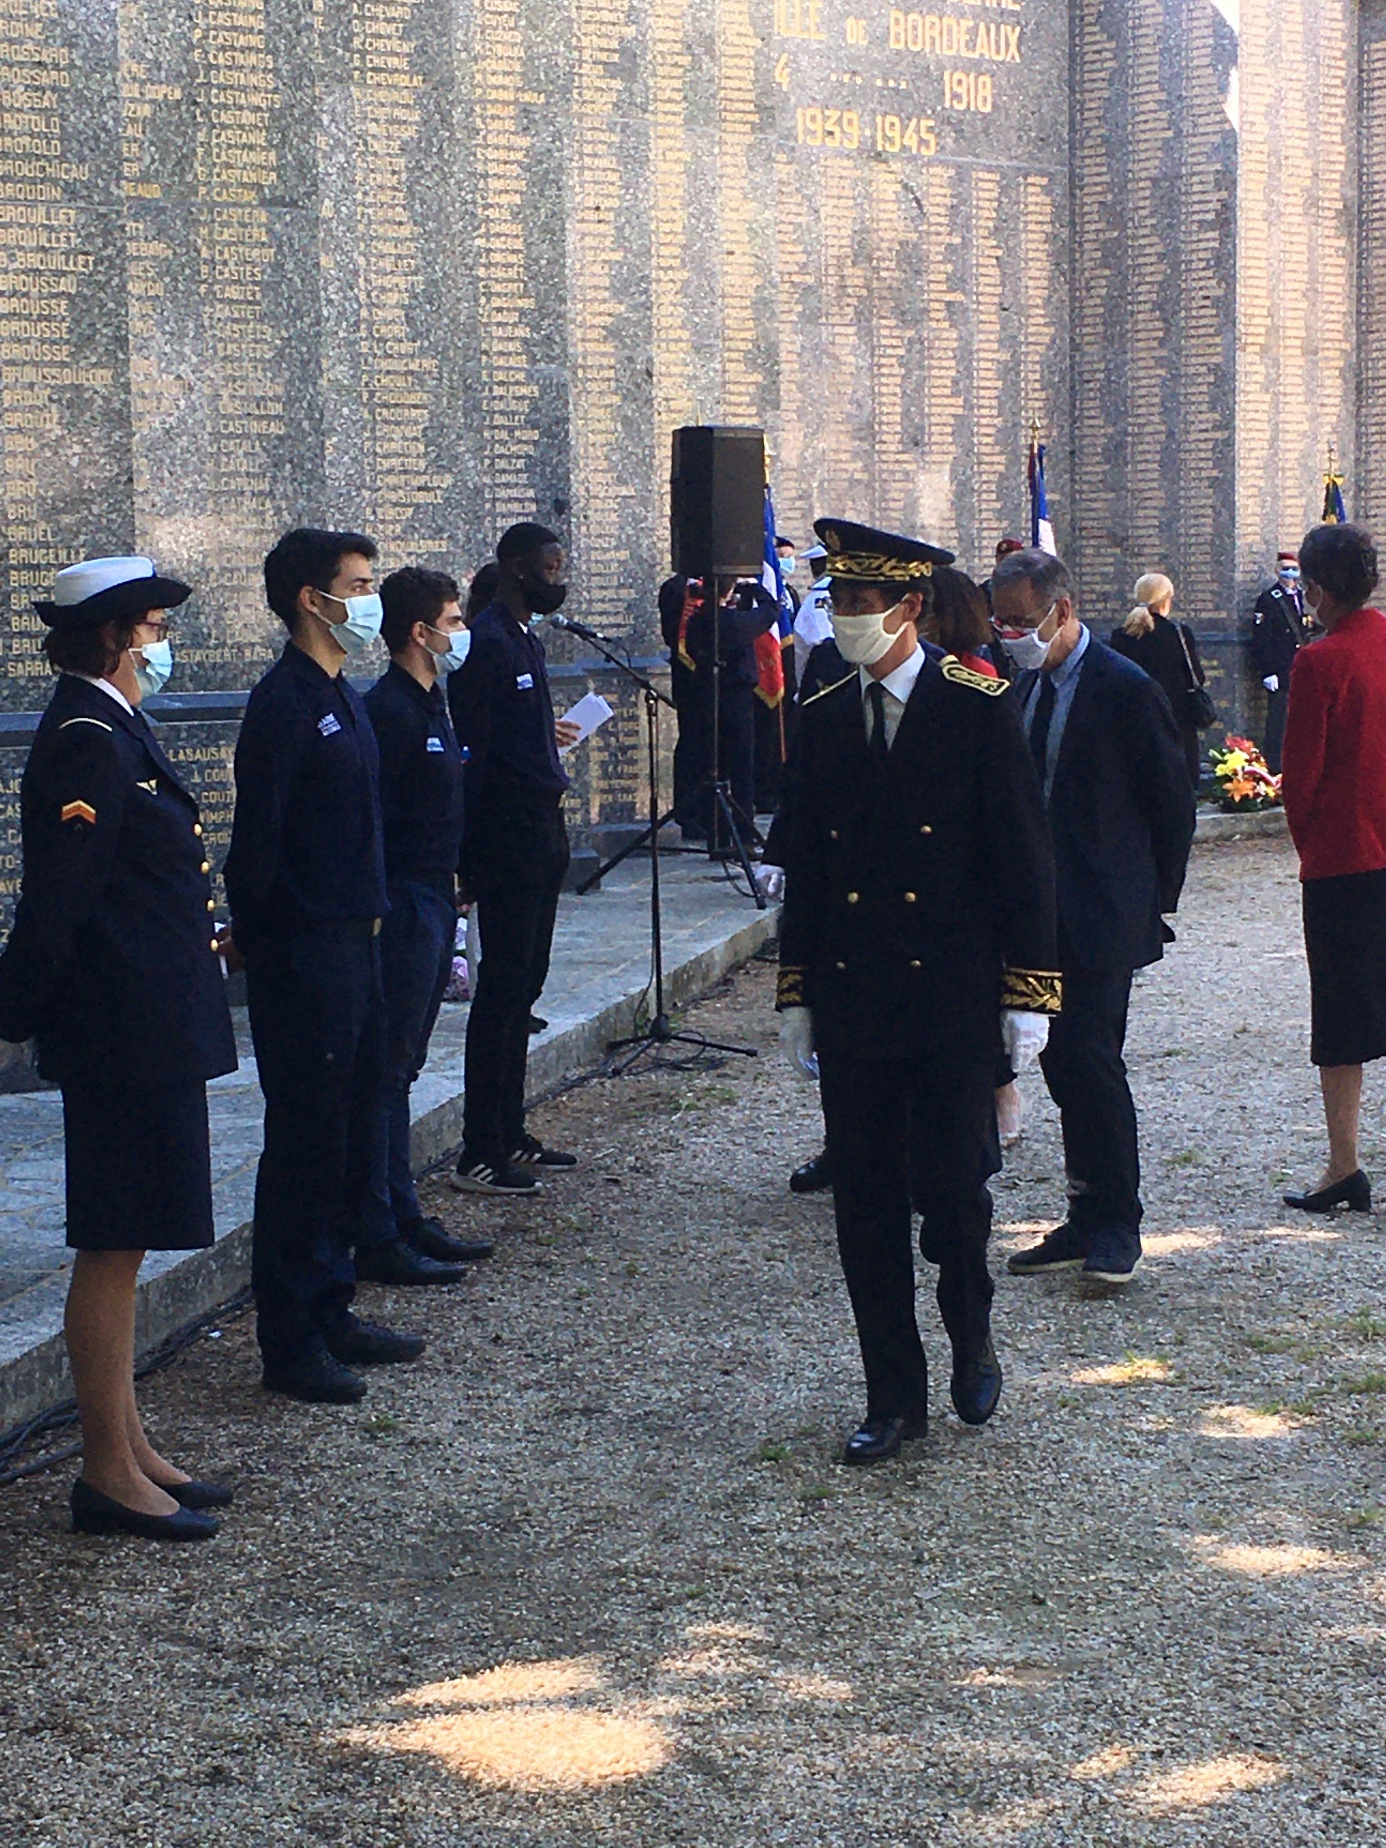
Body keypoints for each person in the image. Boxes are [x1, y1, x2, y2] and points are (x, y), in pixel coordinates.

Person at [776, 519, 1061, 1465]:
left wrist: (1028, 994)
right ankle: (891, 1396)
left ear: (909, 608)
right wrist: (798, 990)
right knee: (864, 1206)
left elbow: (1022, 858)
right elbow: (810, 868)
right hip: (860, 998)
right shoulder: (822, 713)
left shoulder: (975, 703)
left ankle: (970, 1330)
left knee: (954, 1197)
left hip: (949, 995)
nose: (845, 618)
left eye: (860, 603)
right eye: (837, 602)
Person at [0, 557, 237, 1539]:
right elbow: (59, 904)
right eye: (150, 624)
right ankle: (105, 1470)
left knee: (130, 1243)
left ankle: (129, 1443)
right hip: (120, 1032)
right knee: (112, 1246)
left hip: (150, 1021)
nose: (161, 641)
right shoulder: (87, 739)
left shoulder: (113, 725)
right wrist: (11, 1018)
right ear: (112, 637)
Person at [226, 527, 424, 1406]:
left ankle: (332, 1301)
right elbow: (257, 852)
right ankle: (292, 1335)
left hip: (359, 938)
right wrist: (276, 950)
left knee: (347, 1132)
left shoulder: (338, 693)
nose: (370, 598)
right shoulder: (284, 705)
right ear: (313, 598)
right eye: (359, 583)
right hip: (308, 955)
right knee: (305, 1143)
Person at [995, 548, 1195, 1287]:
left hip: (1103, 912)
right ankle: (1084, 1211)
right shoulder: (1025, 687)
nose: (1012, 634)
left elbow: (1171, 805)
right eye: (1003, 622)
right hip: (1040, 916)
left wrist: (1149, 902)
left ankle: (1119, 1221)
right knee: (1058, 1062)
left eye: (1023, 621)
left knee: (1091, 1059)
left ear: (1063, 611)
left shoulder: (1122, 686)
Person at [357, 567, 493, 1279]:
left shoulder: (434, 701)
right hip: (405, 900)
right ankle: (380, 1226)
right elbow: (376, 821)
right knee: (387, 1068)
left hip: (438, 894)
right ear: (420, 632)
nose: (460, 632)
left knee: (404, 1065)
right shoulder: (389, 710)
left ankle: (401, 1211)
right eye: (453, 619)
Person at [447, 522, 579, 1194]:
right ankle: (480, 1145)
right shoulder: (489, 641)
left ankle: (510, 1127)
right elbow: (474, 752)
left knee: (525, 985)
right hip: (506, 836)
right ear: (518, 568)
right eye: (550, 568)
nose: (559, 579)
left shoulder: (524, 636)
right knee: (500, 991)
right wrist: (465, 856)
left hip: (541, 829)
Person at [1279, 524, 1386, 1214]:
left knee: (1343, 1020)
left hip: (1346, 859)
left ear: (1316, 588)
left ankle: (1344, 1163)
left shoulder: (1320, 663)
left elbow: (1302, 780)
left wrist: (1310, 844)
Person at [657, 570, 777, 844]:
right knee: (740, 770)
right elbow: (770, 612)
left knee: (716, 766)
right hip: (734, 698)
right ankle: (744, 834)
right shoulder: (734, 623)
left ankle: (718, 835)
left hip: (702, 694)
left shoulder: (697, 620)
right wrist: (755, 589)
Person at [1109, 573, 1208, 788]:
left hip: (1134, 721)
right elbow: (1197, 677)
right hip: (1176, 721)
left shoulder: (1121, 635)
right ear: (1166, 600)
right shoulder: (1178, 633)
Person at [1251, 551, 1312, 773]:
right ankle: (1275, 767)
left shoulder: (1304, 597)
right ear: (1277, 571)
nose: (1290, 573)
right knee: (1278, 721)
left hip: (1301, 665)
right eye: (1285, 568)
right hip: (1280, 667)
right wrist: (1268, 671)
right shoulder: (1269, 599)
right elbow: (1261, 638)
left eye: (1294, 569)